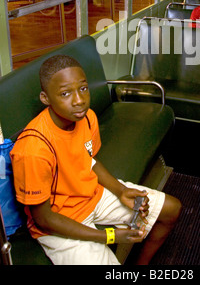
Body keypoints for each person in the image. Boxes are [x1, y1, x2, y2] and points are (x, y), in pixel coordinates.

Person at [10, 55, 182, 266]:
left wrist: (120, 190)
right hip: (60, 220)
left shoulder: (86, 116)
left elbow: (90, 161)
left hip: (92, 196)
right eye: (65, 93)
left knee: (171, 209)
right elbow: (44, 219)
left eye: (83, 89)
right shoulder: (32, 149)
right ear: (46, 98)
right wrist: (110, 237)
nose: (79, 100)